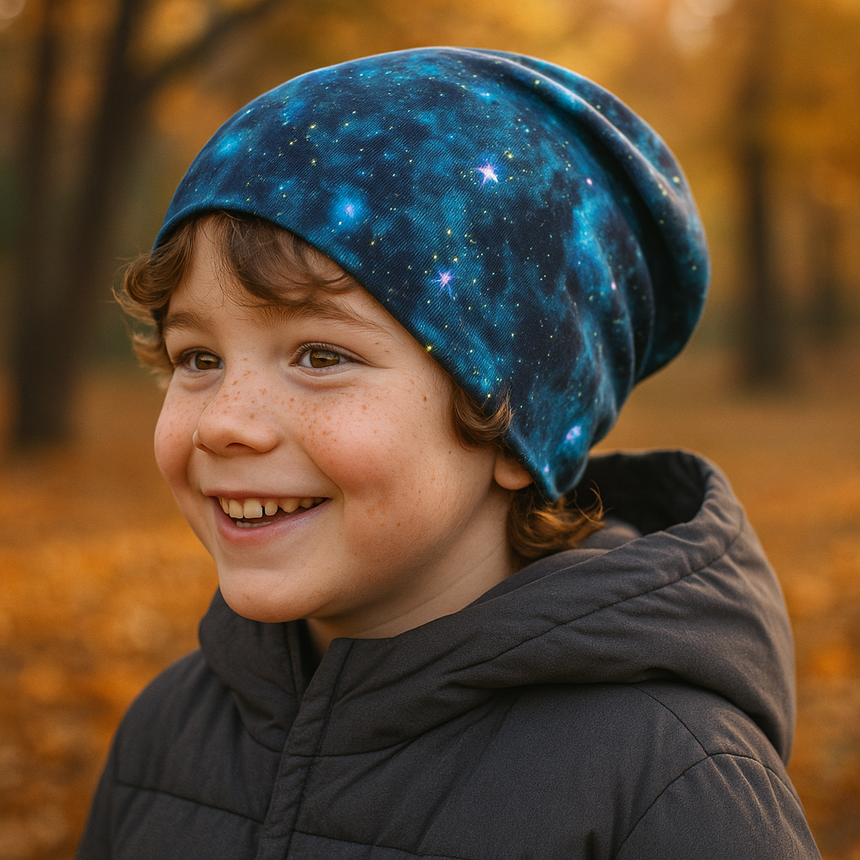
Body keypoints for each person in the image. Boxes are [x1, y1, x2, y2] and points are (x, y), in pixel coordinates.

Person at [77, 47, 820, 858]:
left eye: (321, 357)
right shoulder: (163, 737)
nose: (226, 422)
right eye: (198, 358)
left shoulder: (671, 785)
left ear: (510, 423)